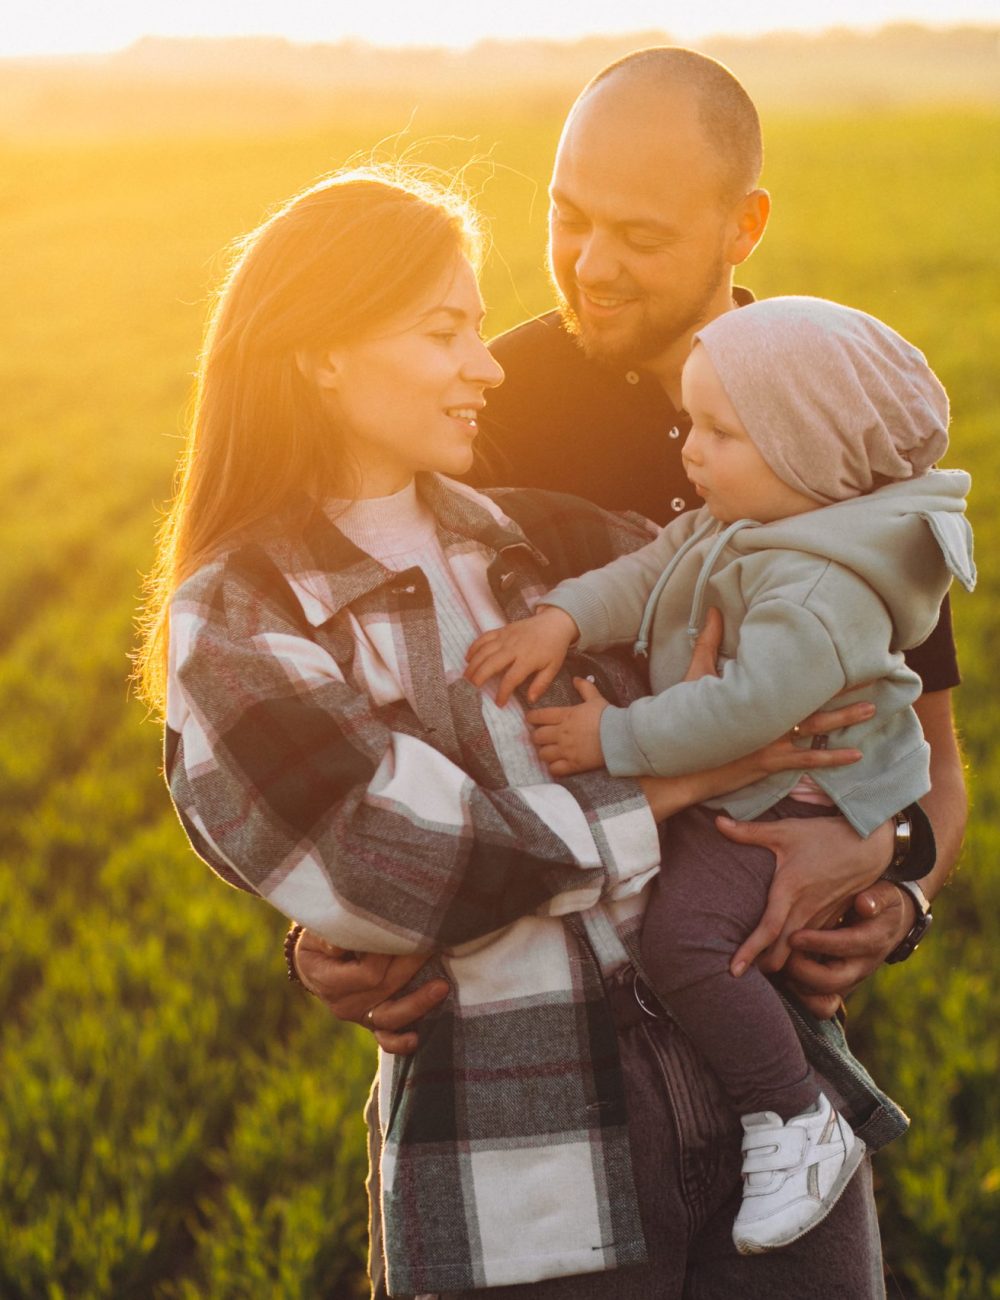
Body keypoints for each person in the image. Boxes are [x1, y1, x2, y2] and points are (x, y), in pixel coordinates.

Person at [141, 169, 903, 1297]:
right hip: (528, 1178)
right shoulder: (240, 614)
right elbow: (394, 865)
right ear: (321, 351)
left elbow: (818, 641)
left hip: (774, 1120)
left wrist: (884, 854)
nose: (487, 363)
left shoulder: (551, 540)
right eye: (446, 330)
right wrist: (688, 778)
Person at [299, 46, 966, 1050]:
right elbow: (352, 733)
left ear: (742, 227)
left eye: (640, 235)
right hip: (522, 1053)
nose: (590, 265)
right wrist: (325, 937)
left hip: (759, 1031)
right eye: (570, 217)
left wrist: (895, 875)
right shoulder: (476, 404)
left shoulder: (832, 416)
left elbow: (937, 763)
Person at [464, 295, 975, 1255]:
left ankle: (794, 1117)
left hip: (788, 803)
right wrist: (563, 620)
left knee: (687, 943)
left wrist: (614, 737)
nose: (689, 451)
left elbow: (743, 711)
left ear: (811, 458)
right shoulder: (742, 518)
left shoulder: (820, 589)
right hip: (746, 784)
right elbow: (650, 571)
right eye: (688, 424)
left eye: (717, 433)